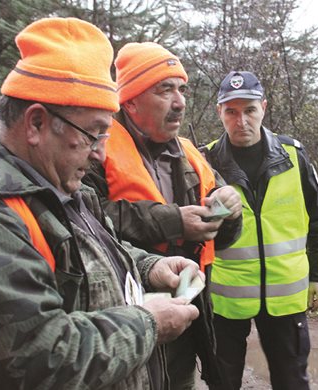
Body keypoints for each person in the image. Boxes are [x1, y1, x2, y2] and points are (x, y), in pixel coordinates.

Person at [0, 17, 200, 389]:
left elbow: (97, 251)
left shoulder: (60, 184)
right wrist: (148, 324)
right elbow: (39, 357)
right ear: (36, 123)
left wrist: (150, 266)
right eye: (94, 134)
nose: (102, 154)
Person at [83, 42, 242, 389]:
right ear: (131, 100)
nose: (180, 101)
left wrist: (229, 210)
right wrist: (174, 221)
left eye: (181, 89)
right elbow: (89, 220)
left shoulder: (189, 154)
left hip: (186, 320)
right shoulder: (94, 149)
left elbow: (224, 239)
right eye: (164, 89)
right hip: (122, 326)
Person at [201, 70, 318, 390]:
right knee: (222, 381)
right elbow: (194, 232)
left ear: (263, 107)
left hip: (285, 298)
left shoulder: (294, 156)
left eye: (249, 110)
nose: (241, 120)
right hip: (225, 299)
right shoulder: (204, 161)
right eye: (231, 111)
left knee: (292, 381)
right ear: (219, 113)